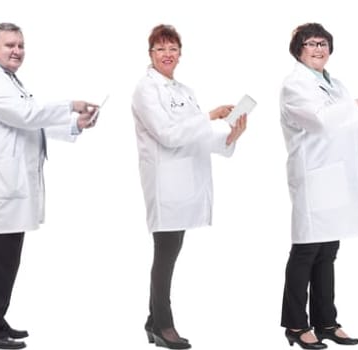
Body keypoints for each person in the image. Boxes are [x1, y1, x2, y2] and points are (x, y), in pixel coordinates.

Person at [0, 22, 100, 350]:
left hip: (12, 184)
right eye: (9, 45)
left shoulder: (10, 80)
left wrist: (74, 125)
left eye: (20, 46)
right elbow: (27, 116)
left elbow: (30, 124)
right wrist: (71, 105)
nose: (16, 51)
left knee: (6, 258)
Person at [278, 22, 358, 350]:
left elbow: (348, 128)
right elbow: (319, 119)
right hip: (313, 175)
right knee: (305, 251)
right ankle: (295, 324)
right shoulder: (294, 85)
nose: (319, 49)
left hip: (335, 177)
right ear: (299, 50)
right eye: (311, 44)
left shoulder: (336, 84)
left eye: (323, 44)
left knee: (328, 251)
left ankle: (326, 322)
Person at [130, 24, 248, 350]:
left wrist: (229, 136)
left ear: (180, 54)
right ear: (150, 54)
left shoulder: (184, 90)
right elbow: (168, 134)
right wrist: (210, 115)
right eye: (160, 49)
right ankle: (163, 324)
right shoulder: (145, 89)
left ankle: (153, 321)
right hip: (165, 182)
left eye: (172, 49)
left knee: (171, 251)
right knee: (165, 253)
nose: (167, 55)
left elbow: (196, 135)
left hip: (186, 182)